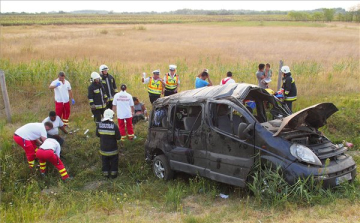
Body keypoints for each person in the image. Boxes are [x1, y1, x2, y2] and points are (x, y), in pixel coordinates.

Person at [96, 109, 121, 179]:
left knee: (105, 162)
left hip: (103, 149)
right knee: (114, 162)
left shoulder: (99, 125)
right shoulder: (114, 126)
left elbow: (97, 134)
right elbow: (118, 137)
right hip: (113, 150)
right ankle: (113, 175)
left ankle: (105, 175)